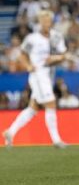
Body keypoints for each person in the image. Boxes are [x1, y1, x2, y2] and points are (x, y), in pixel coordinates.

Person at [2, 10, 71, 148]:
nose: (46, 23)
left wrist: (56, 58)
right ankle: (56, 140)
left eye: (48, 21)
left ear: (51, 22)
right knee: (51, 103)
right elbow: (21, 54)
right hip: (38, 74)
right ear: (39, 22)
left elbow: (64, 55)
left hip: (49, 74)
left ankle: (10, 132)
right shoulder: (32, 38)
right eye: (43, 21)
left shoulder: (56, 37)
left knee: (33, 108)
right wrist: (28, 65)